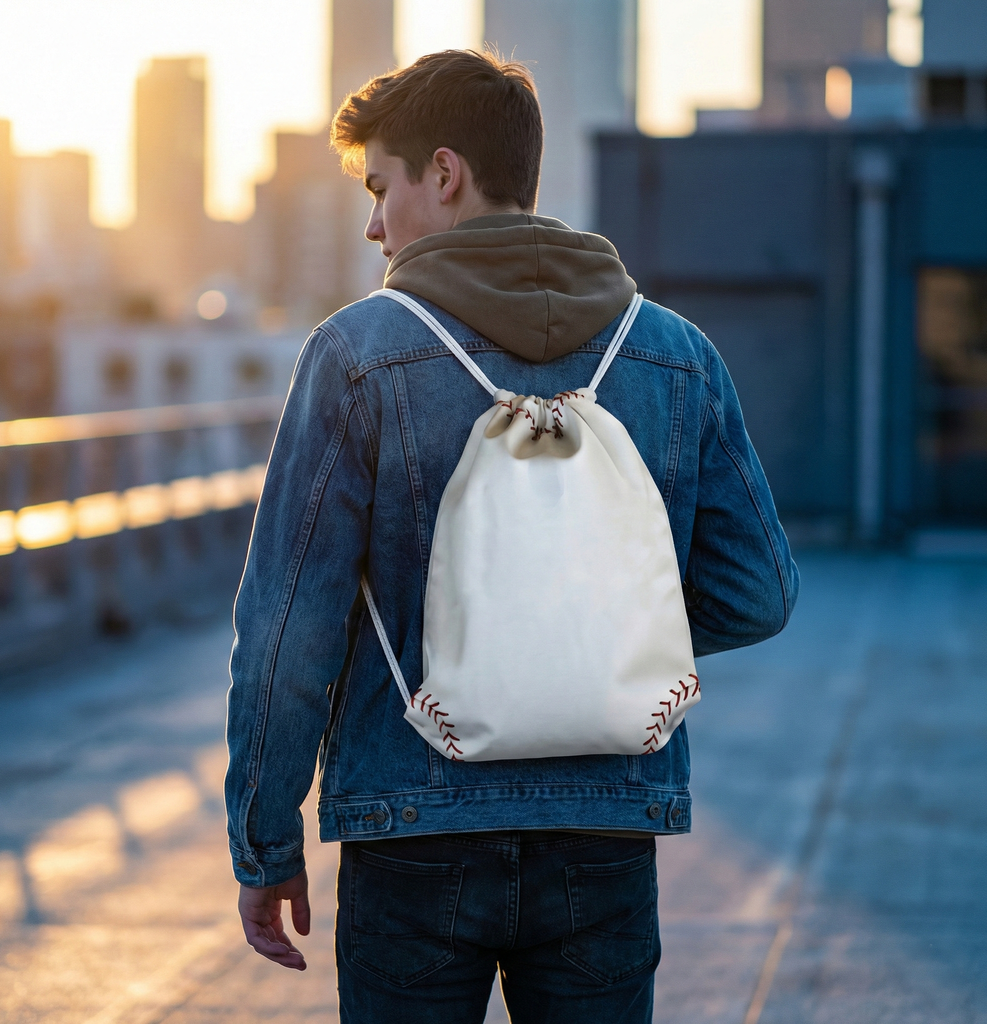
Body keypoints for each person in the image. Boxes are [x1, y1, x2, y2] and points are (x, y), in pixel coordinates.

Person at [226, 48, 799, 1024]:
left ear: (443, 174)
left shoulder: (356, 355)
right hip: (604, 819)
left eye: (380, 189)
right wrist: (590, 643)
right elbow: (758, 592)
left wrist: (266, 842)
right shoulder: (674, 353)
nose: (373, 225)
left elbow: (288, 636)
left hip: (409, 822)